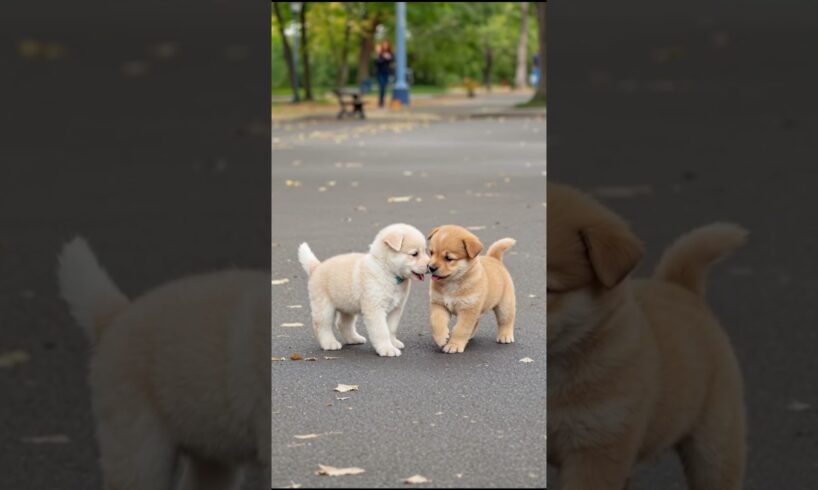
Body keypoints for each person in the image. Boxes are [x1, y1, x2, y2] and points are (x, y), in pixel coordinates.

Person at [374, 41, 393, 108]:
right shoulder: (379, 54)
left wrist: (387, 57)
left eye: (386, 45)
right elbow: (377, 62)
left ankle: (382, 101)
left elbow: (391, 59)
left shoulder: (390, 53)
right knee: (382, 86)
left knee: (384, 87)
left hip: (386, 72)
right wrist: (380, 54)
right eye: (384, 45)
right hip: (380, 72)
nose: (385, 46)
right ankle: (381, 102)